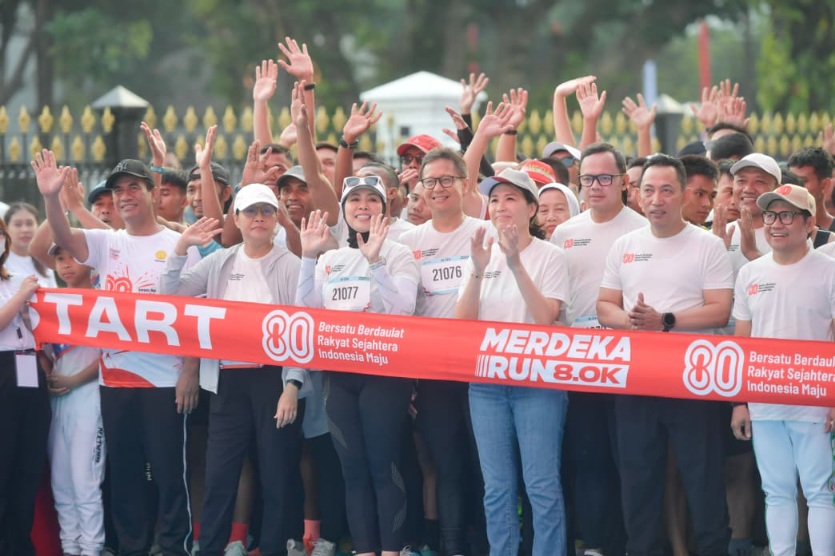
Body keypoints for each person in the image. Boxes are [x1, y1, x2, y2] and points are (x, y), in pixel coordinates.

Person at [34, 150, 197, 556]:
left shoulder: (180, 243)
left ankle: (175, 547)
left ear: (152, 191)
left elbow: (200, 313)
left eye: (133, 188)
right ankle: (131, 548)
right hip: (115, 379)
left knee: (167, 474)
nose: (125, 196)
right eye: (118, 190)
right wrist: (53, 199)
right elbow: (66, 238)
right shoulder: (108, 243)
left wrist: (190, 371)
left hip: (164, 380)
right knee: (124, 475)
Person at [161, 184, 309, 556]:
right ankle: (210, 547)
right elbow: (170, 295)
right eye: (250, 211)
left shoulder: (291, 264)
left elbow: (300, 327)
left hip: (273, 379)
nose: (259, 217)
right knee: (219, 473)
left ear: (276, 219)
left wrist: (292, 384)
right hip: (226, 380)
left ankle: (276, 547)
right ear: (237, 219)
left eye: (267, 211)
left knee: (277, 472)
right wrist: (180, 248)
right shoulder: (219, 261)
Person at [597, 154, 733, 556]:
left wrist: (666, 321)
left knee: (702, 478)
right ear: (636, 194)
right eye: (648, 190)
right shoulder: (625, 245)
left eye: (667, 190)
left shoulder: (706, 245)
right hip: (636, 376)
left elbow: (720, 309)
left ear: (683, 194)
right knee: (638, 480)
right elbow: (605, 305)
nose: (656, 199)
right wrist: (631, 321)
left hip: (692, 377)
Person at [297, 176, 419, 556]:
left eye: (371, 199)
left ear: (384, 207)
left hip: (385, 375)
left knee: (384, 466)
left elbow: (403, 309)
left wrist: (377, 262)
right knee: (352, 471)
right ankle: (365, 549)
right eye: (355, 200)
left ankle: (392, 551)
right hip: (340, 377)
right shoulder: (330, 258)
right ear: (344, 210)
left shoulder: (399, 252)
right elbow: (307, 312)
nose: (362, 206)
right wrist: (306, 257)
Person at [455, 168, 568, 556]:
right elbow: (462, 323)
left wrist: (516, 262)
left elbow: (546, 318)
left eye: (511, 199)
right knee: (497, 487)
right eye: (495, 199)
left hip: (537, 382)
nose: (500, 206)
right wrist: (478, 268)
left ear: (532, 208)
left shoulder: (551, 256)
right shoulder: (480, 251)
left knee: (541, 485)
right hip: (485, 383)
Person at [551, 143, 646, 556]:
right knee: (588, 459)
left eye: (604, 178)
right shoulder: (565, 233)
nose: (594, 186)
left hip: (632, 361)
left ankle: (632, 543)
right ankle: (594, 543)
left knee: (630, 459)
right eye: (587, 178)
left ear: (624, 181)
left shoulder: (641, 229)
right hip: (579, 362)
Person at [730, 184, 835, 556]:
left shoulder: (829, 271)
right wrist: (739, 402)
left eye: (787, 215)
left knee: (820, 491)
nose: (777, 223)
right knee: (776, 491)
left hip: (816, 402)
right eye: (771, 215)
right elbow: (743, 342)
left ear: (808, 224)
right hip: (764, 400)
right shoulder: (750, 274)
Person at [399, 147, 493, 556]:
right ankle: (453, 547)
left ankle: (491, 545)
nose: (438, 189)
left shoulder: (486, 232)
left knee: (488, 468)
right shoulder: (408, 243)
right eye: (430, 182)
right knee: (449, 467)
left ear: (464, 183)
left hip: (485, 369)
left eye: (446, 180)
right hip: (434, 376)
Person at [38, 244, 105, 556]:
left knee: (85, 481)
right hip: (58, 401)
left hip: (89, 398)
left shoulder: (105, 298)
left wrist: (76, 380)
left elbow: (112, 355)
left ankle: (92, 548)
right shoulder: (49, 302)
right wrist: (48, 373)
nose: (65, 265)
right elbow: (44, 351)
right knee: (61, 483)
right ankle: (70, 548)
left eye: (72, 258)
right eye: (59, 259)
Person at [0, 215, 48, 556]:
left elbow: (37, 324)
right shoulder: (18, 286)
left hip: (29, 366)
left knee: (28, 461)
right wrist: (21, 298)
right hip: (3, 370)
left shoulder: (15, 278)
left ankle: (20, 545)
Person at [3, 202, 57, 287]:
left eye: (29, 224)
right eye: (18, 224)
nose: (25, 230)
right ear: (6, 229)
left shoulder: (45, 262)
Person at [787, 147, 835, 232]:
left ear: (825, 185)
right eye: (791, 180)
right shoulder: (778, 230)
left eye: (802, 181)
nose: (795, 187)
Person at [680, 155, 719, 227]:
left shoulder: (710, 236)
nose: (707, 204)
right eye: (699, 194)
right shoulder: (654, 234)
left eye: (712, 196)